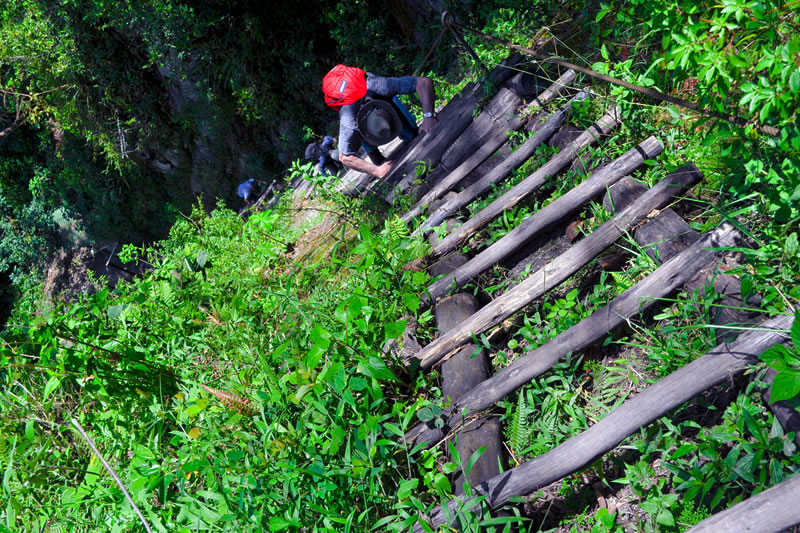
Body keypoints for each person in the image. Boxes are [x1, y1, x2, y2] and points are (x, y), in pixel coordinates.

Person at [322, 64, 437, 178]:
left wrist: (429, 116)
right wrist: (377, 170)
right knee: (377, 161)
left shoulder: (379, 86)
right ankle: (372, 149)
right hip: (354, 110)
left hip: (373, 93)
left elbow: (424, 82)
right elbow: (344, 157)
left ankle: (398, 120)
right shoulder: (349, 119)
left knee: (410, 134)